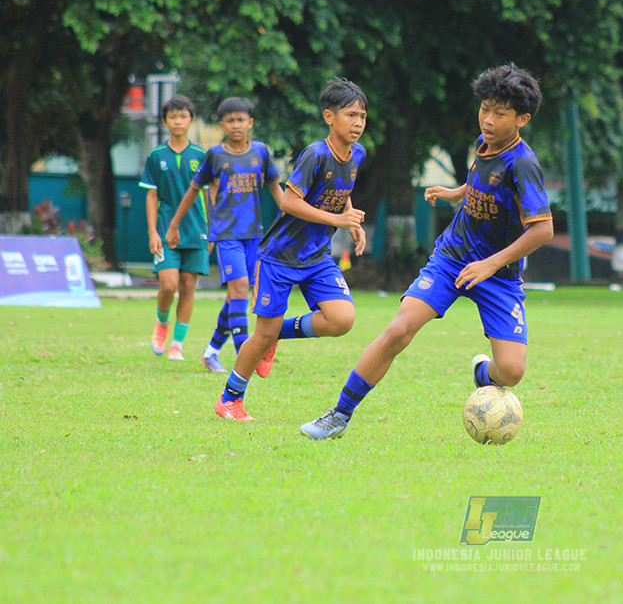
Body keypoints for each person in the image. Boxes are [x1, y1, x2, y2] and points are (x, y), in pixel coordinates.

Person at [300, 63, 553, 440]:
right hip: (452, 258)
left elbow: (543, 229)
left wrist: (490, 264)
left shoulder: (524, 164)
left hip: (497, 272)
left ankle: (482, 374)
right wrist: (456, 193)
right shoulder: (487, 142)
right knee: (399, 330)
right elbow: (483, 182)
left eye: (500, 113)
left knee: (511, 373)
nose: (487, 119)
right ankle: (338, 415)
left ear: (522, 119)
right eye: (485, 108)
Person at [213, 78, 369, 421]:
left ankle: (274, 335)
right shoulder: (315, 154)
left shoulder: (357, 154)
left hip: (316, 256)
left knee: (342, 319)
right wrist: (338, 219)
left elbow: (341, 192)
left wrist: (350, 221)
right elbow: (288, 203)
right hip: (279, 258)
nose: (358, 123)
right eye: (350, 115)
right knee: (262, 333)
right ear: (329, 117)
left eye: (362, 116)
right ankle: (230, 400)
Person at [166, 97, 283, 375]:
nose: (236, 125)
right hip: (226, 234)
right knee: (240, 288)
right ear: (222, 125)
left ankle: (211, 351)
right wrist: (174, 226)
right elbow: (194, 190)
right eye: (230, 120)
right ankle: (246, 352)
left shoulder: (261, 153)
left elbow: (278, 190)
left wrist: (294, 218)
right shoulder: (215, 156)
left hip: (255, 236)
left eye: (241, 120)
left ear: (250, 123)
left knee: (238, 294)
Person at [140, 95, 209, 361]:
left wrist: (211, 231)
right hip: (166, 232)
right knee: (169, 285)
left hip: (196, 231)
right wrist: (152, 232)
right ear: (165, 121)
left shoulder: (202, 156)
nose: (178, 121)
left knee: (189, 286)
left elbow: (208, 196)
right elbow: (151, 195)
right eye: (172, 117)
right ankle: (162, 322)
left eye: (183, 116)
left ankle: (177, 345)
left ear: (191, 120)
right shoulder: (156, 156)